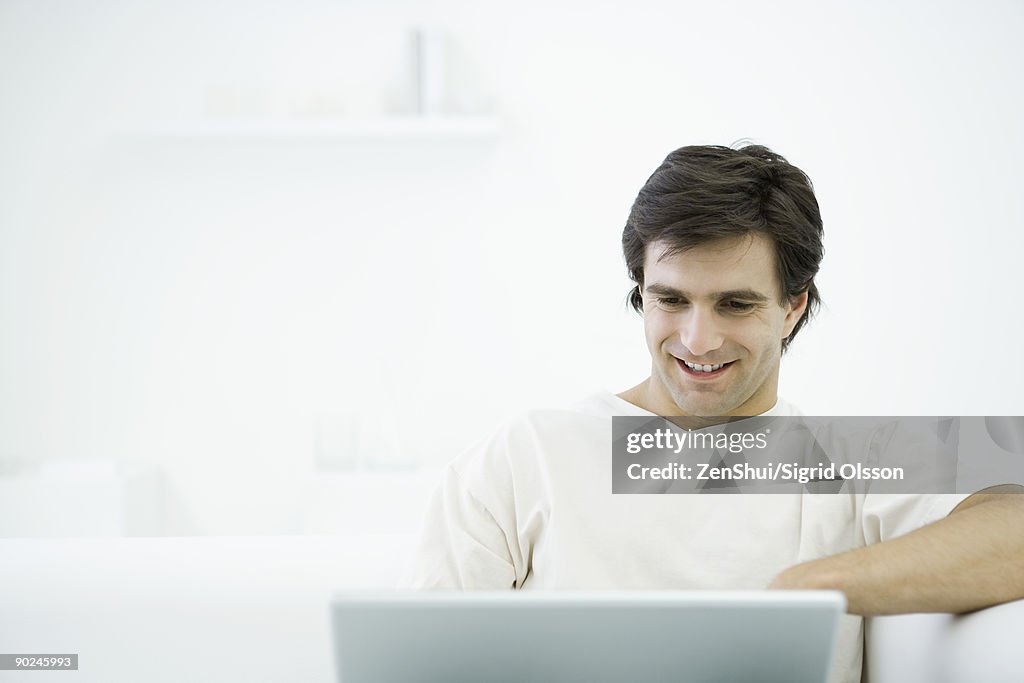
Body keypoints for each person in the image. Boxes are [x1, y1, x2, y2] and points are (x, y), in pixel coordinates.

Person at [402, 143, 1024, 683]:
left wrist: (803, 588)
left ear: (792, 307)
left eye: (735, 304)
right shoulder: (527, 451)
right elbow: (423, 662)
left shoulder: (856, 455)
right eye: (670, 299)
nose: (697, 340)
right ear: (639, 294)